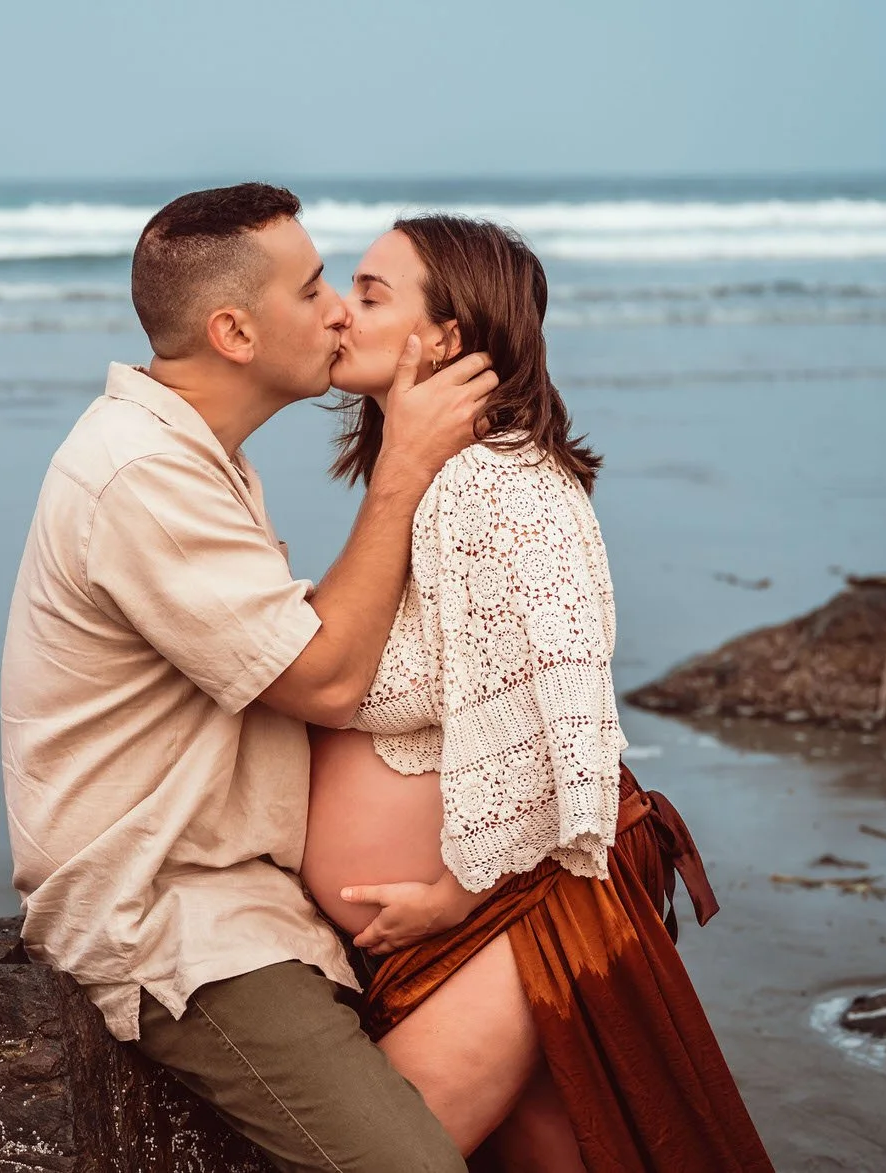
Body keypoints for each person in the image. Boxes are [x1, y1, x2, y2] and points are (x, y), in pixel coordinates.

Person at [0, 184, 500, 1172]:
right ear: (233, 331)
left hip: (249, 897)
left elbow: (298, 643)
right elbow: (318, 680)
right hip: (175, 919)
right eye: (313, 289)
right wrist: (400, 467)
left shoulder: (194, 452)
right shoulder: (140, 473)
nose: (339, 312)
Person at [302, 215, 775, 1171]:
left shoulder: (495, 482)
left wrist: (457, 891)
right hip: (477, 929)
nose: (343, 314)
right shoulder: (433, 479)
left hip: (519, 915)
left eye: (372, 291)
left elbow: (569, 701)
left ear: (444, 337)